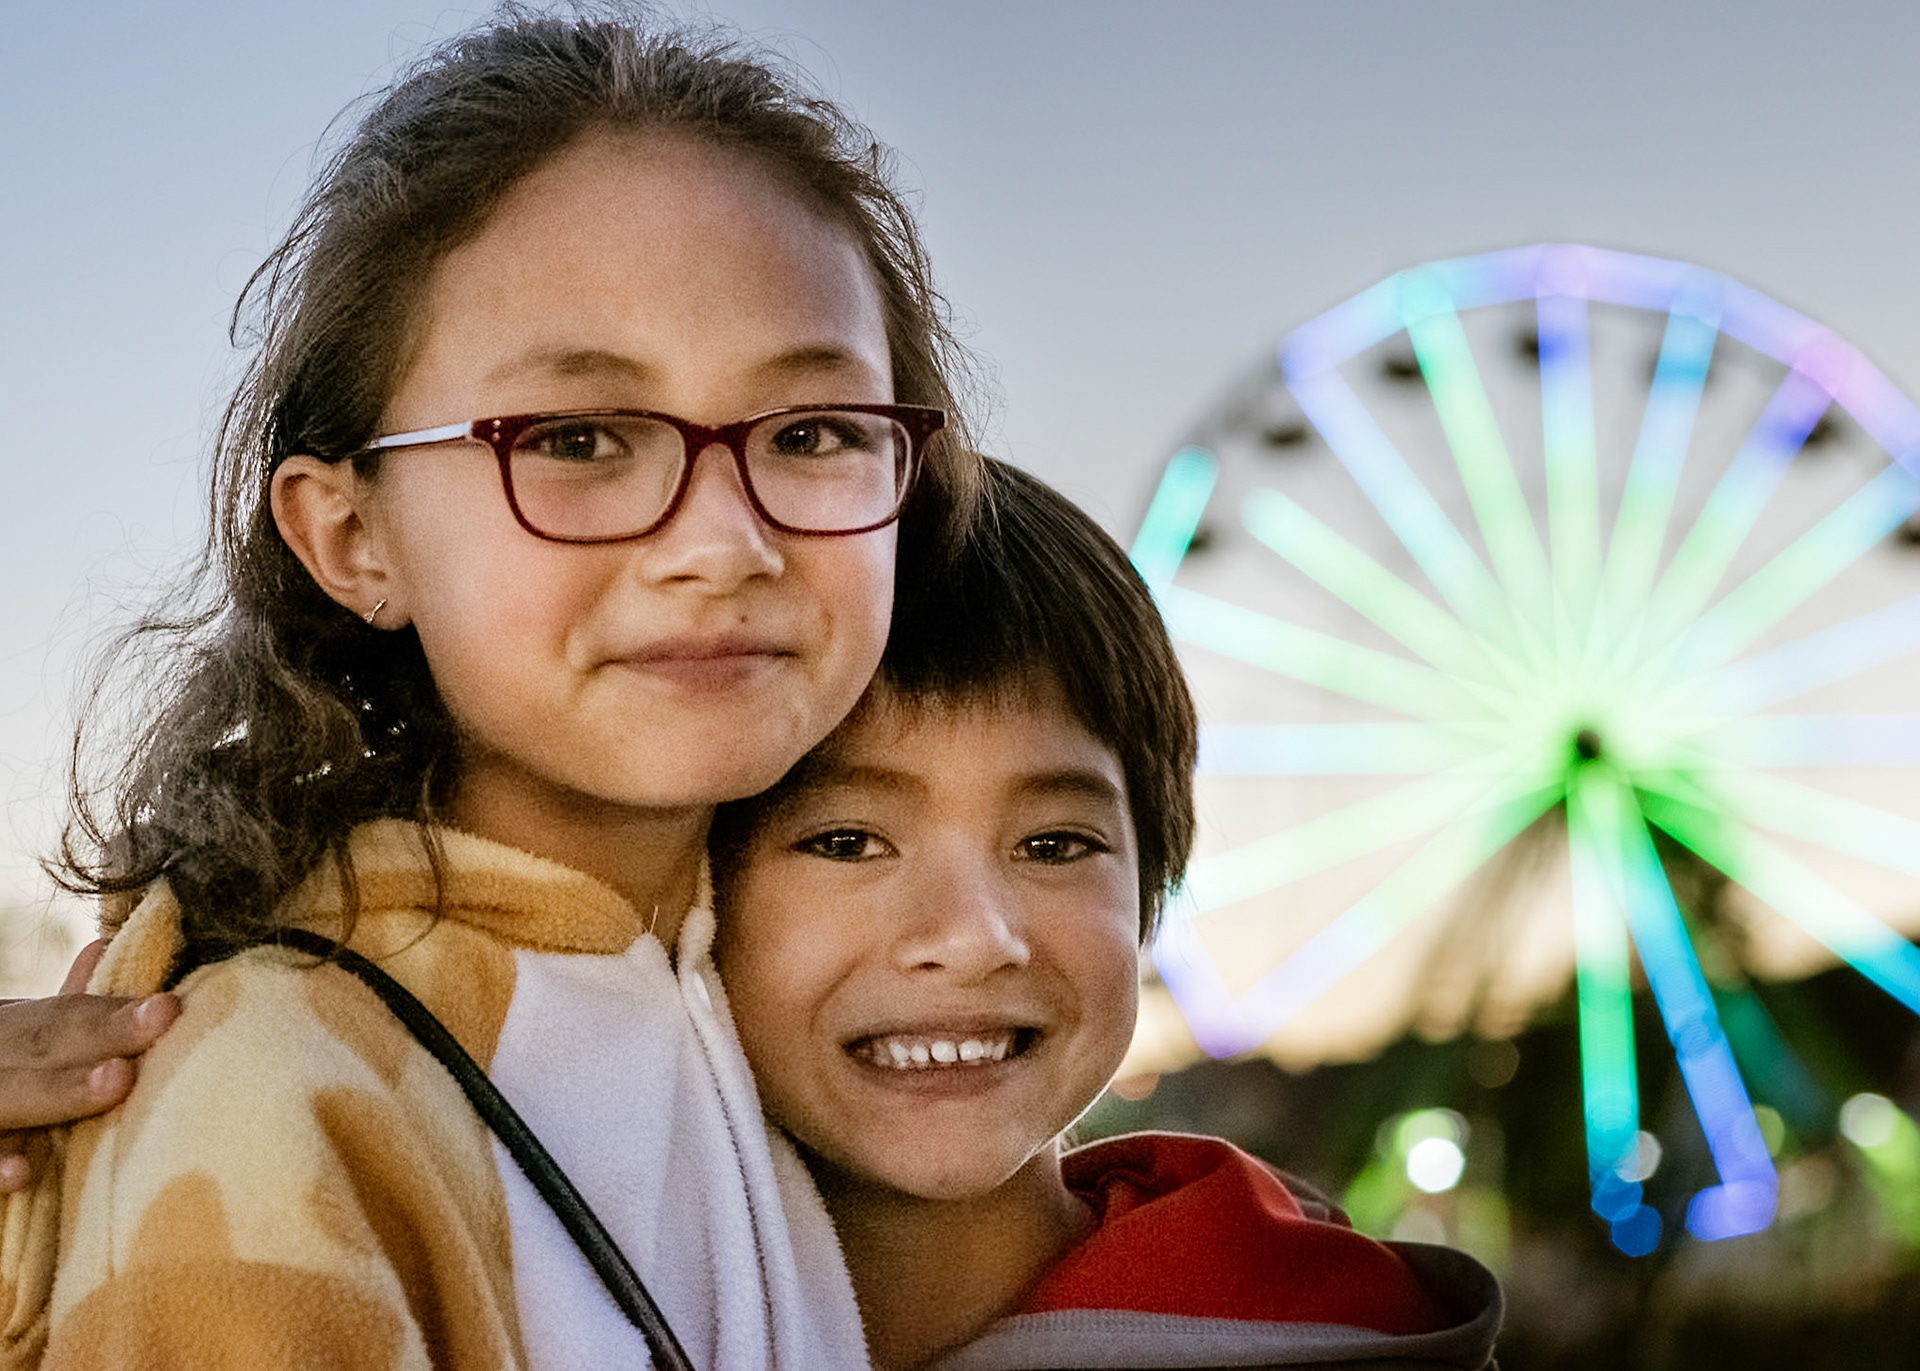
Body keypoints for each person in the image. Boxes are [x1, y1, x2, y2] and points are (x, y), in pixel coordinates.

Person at [0, 8, 985, 1368]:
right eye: (577, 438)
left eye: (812, 432)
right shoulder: (275, 1091)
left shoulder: (791, 1032)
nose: (722, 542)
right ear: (353, 537)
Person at [712, 462, 1503, 1370]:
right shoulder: (538, 1308)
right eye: (847, 842)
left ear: (1147, 896)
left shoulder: (1341, 1336)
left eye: (1054, 845)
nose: (975, 936)